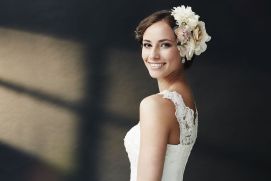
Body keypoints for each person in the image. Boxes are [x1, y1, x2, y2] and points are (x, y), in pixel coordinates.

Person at [124, 5, 211, 181]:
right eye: (147, 45)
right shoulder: (186, 101)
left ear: (185, 48)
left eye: (165, 45)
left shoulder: (155, 106)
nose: (153, 55)